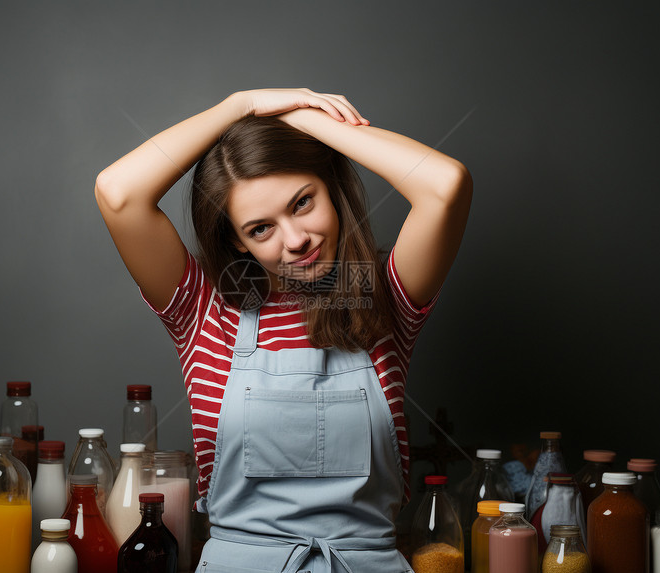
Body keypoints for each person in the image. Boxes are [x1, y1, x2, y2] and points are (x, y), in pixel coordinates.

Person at [95, 88, 472, 572]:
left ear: (331, 188)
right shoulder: (204, 311)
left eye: (302, 202)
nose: (295, 241)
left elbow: (447, 184)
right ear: (237, 241)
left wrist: (311, 123)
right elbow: (118, 193)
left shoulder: (383, 298)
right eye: (260, 229)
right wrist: (241, 105)